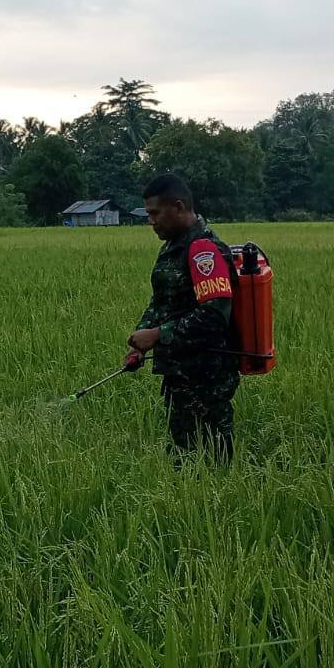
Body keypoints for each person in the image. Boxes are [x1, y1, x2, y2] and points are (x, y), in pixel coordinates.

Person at [126, 173, 240, 463]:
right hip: (179, 372)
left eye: (155, 213)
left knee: (213, 459)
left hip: (206, 377)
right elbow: (162, 300)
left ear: (178, 207)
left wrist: (158, 335)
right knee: (183, 456)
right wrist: (141, 339)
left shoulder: (204, 251)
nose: (150, 221)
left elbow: (213, 317)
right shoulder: (173, 247)